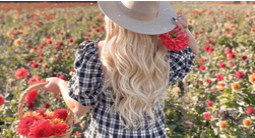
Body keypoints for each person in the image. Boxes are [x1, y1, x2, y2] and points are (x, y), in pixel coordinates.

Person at [42, 1, 199, 138]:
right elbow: (193, 53)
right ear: (155, 22)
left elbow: (79, 108)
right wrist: (182, 30)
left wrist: (60, 84)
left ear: (114, 19)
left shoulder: (94, 54)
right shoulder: (164, 55)